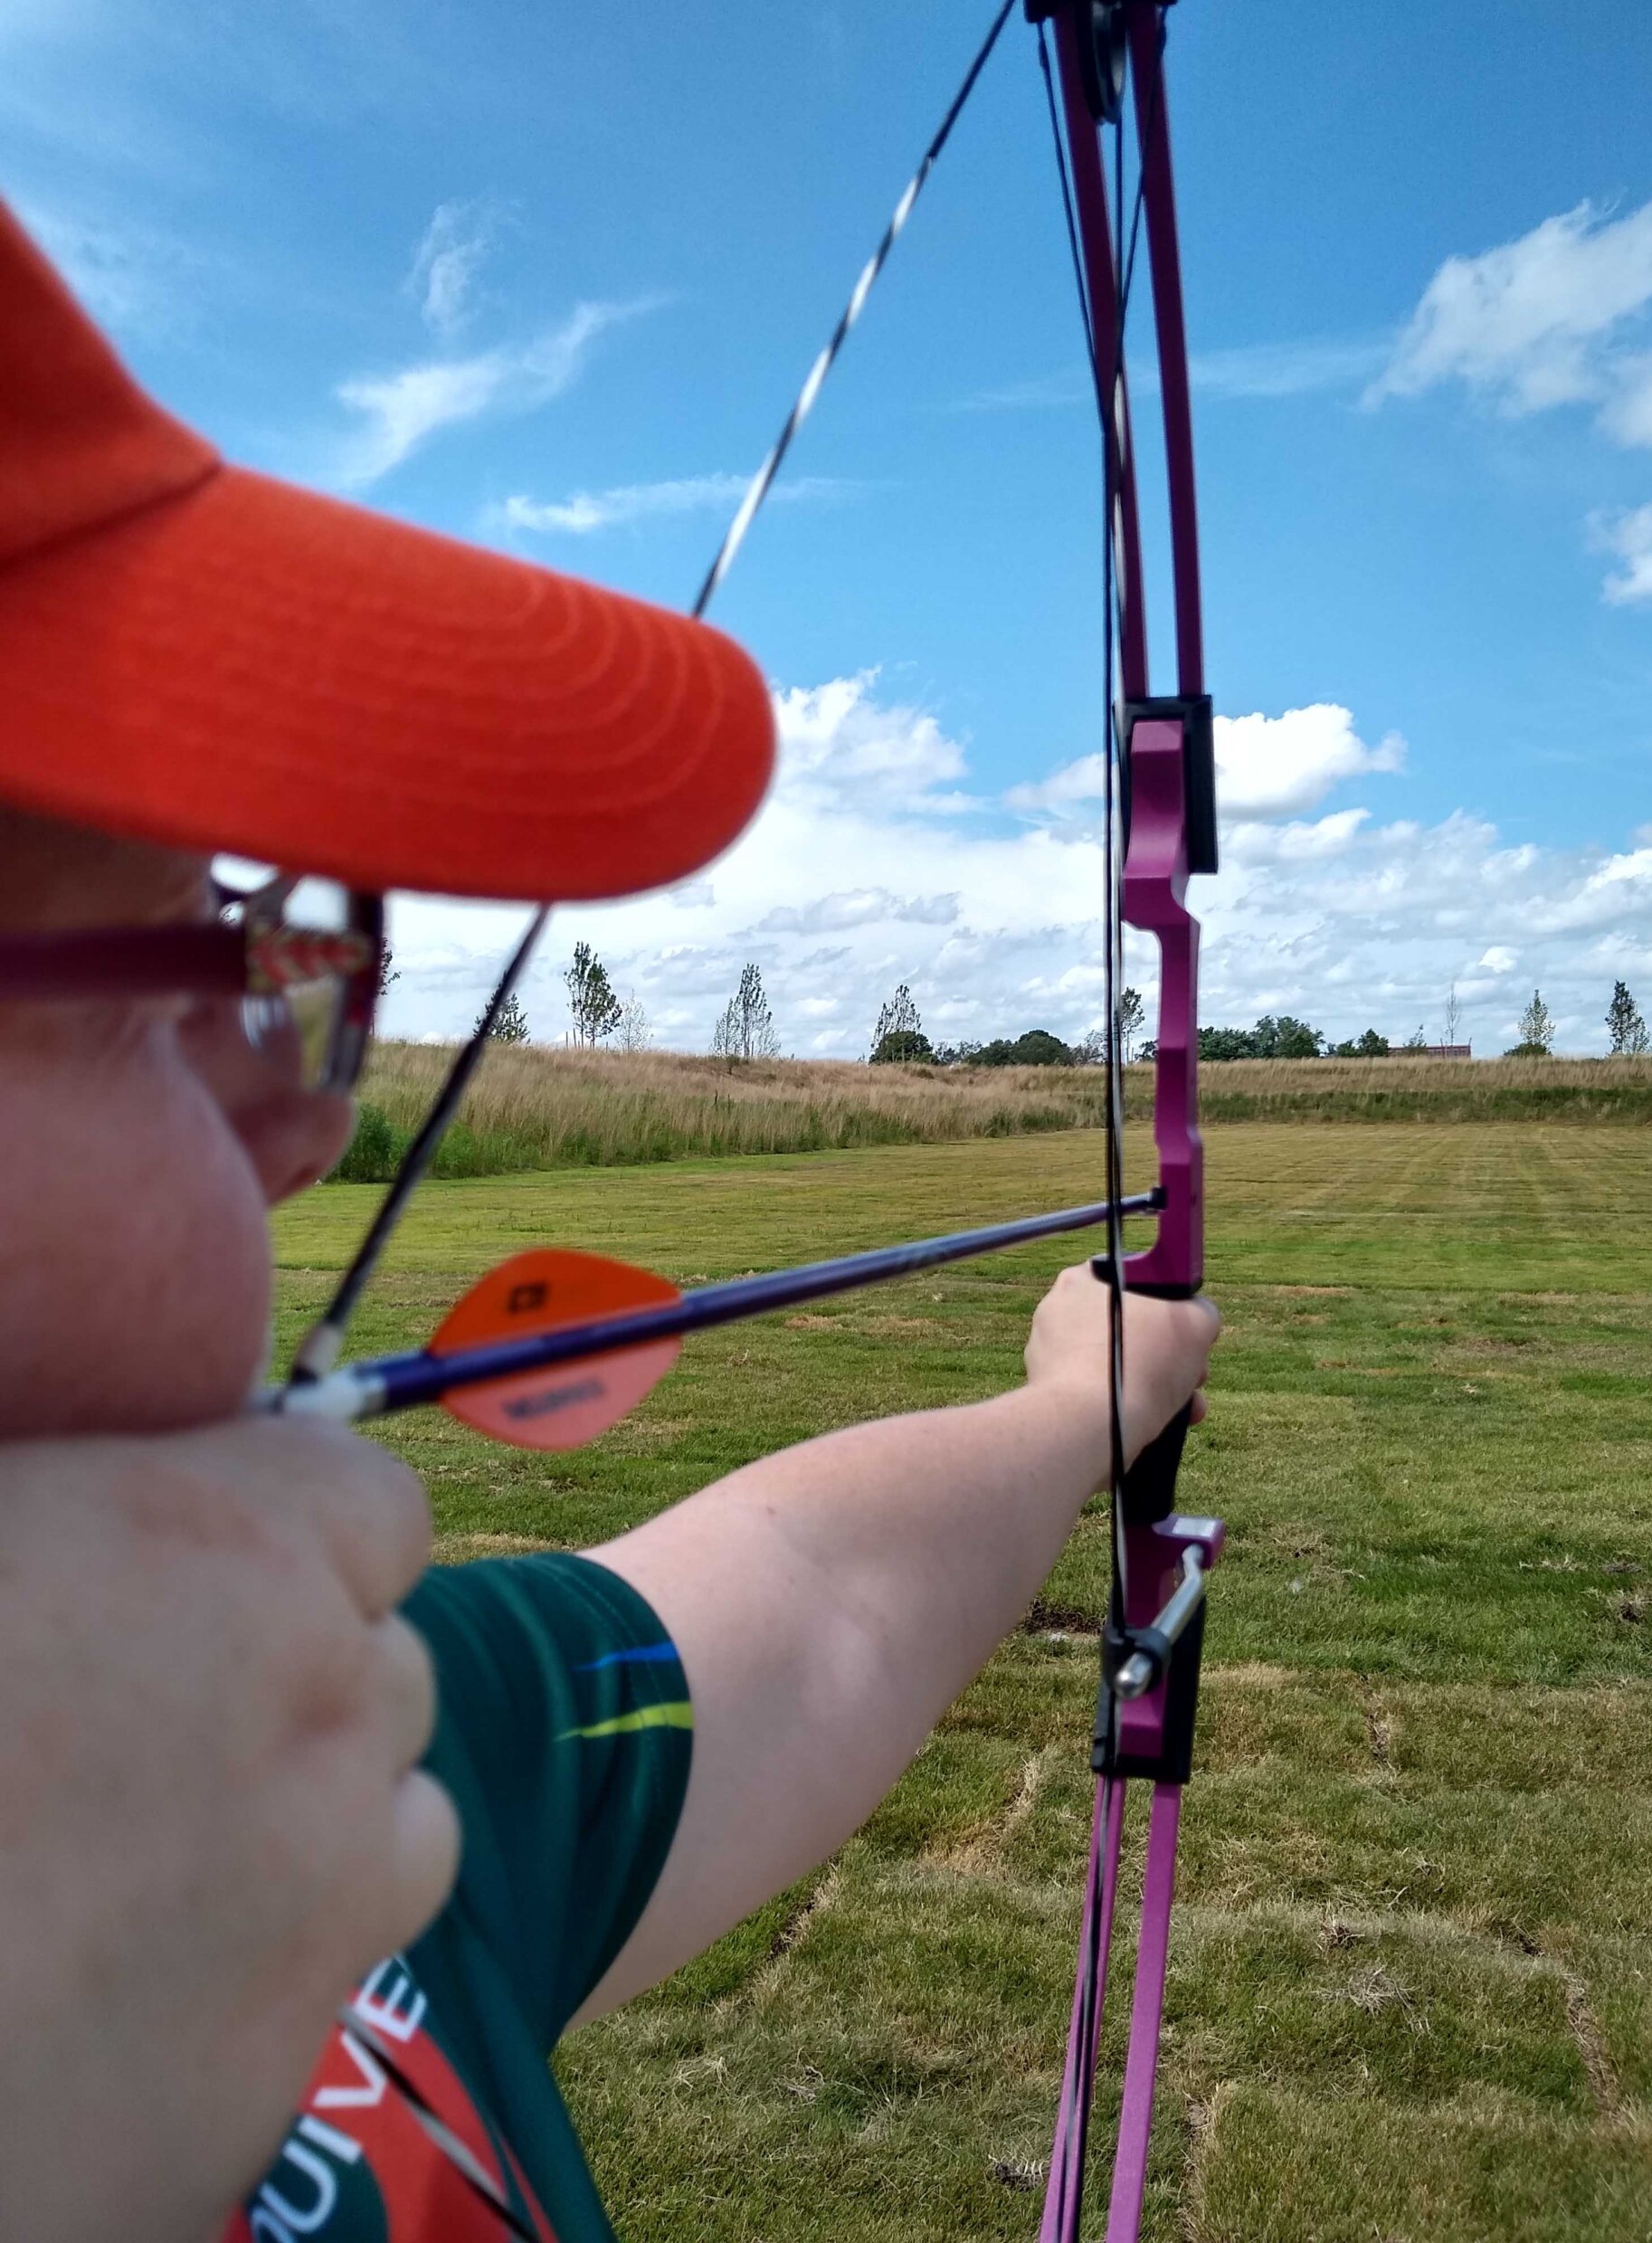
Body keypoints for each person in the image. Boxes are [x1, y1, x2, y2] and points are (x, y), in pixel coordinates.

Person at [0, 203, 1219, 2241]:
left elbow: (809, 1601)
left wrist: (1079, 1398)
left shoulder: (325, 1764)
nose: (298, 1135)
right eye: (161, 982)